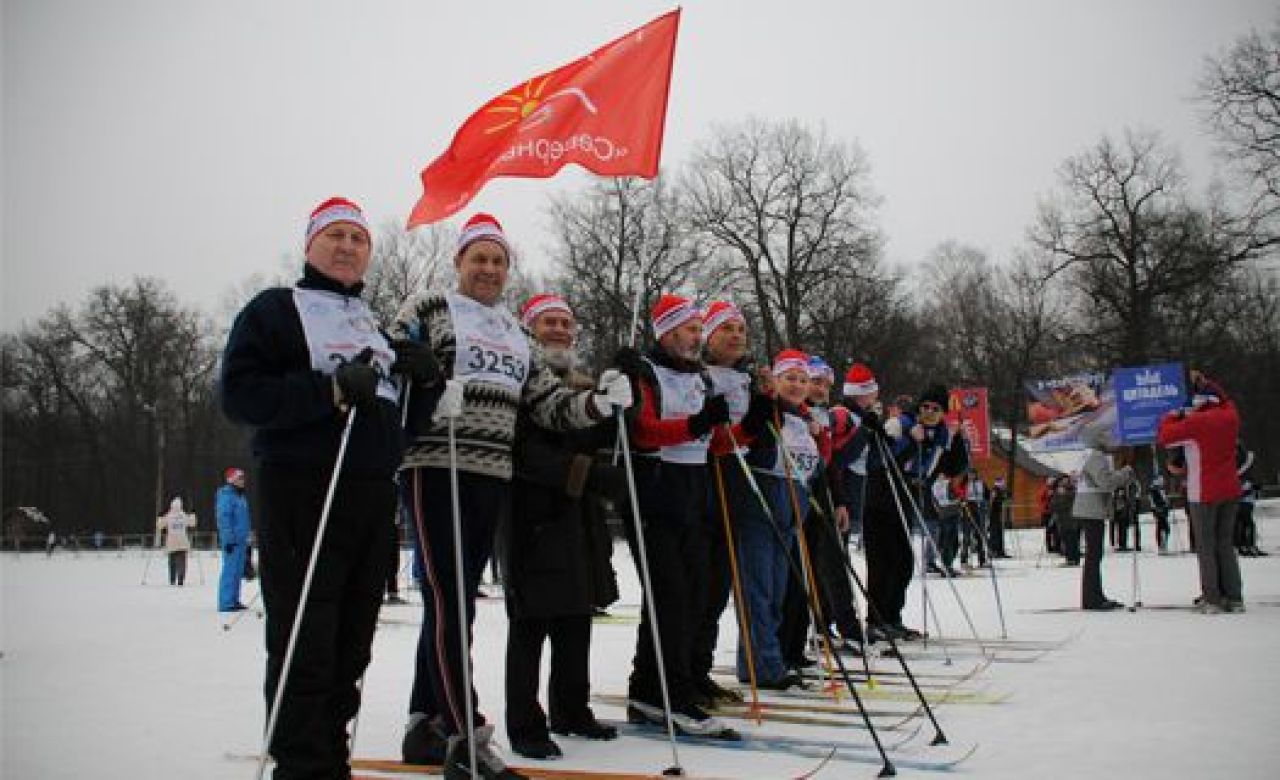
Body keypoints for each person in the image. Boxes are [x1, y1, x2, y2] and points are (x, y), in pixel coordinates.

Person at [392, 214, 629, 777]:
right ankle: (462, 730)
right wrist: (425, 382)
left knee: (451, 600)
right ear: (459, 263)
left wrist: (601, 402)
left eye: (498, 260)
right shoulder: (431, 307)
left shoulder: (514, 333)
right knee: (452, 598)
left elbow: (547, 405)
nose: (489, 269)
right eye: (479, 258)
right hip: (436, 463)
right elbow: (391, 354)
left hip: (489, 471)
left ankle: (423, 722)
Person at [220, 196, 416, 780]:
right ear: (310, 245)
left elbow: (391, 414)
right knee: (306, 634)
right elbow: (241, 395)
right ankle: (302, 766)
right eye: (335, 236)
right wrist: (326, 392)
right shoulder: (276, 309)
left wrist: (422, 380)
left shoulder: (374, 324)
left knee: (352, 641)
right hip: (305, 487)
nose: (348, 247)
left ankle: (330, 758)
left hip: (370, 493)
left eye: (359, 239)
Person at [501, 293, 623, 760]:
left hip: (578, 515)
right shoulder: (520, 380)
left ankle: (571, 707)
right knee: (531, 621)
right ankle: (524, 721)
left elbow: (602, 441)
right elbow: (524, 450)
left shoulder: (580, 383)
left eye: (565, 323)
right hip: (532, 509)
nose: (558, 330)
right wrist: (585, 473)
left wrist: (616, 405)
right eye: (548, 322)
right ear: (531, 330)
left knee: (576, 613)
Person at [616, 293, 737, 738]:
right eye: (689, 329)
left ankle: (647, 690)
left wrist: (750, 424)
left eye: (697, 329)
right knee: (671, 597)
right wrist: (699, 423)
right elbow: (645, 433)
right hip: (654, 490)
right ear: (666, 332)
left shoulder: (699, 377)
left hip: (694, 492)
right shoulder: (645, 372)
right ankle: (675, 695)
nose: (696, 337)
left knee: (687, 594)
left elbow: (716, 442)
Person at [694, 300, 770, 706]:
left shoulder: (744, 378)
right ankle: (685, 671)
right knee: (702, 583)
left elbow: (753, 434)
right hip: (707, 476)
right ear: (708, 336)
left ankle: (700, 669)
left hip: (738, 476)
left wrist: (763, 402)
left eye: (741, 329)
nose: (737, 335)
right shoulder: (702, 375)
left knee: (720, 584)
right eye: (727, 329)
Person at [736, 350, 824, 690]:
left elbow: (815, 466)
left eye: (803, 380)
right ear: (775, 379)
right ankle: (766, 663)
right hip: (762, 505)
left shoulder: (803, 420)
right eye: (789, 377)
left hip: (792, 511)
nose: (797, 385)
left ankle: (759, 661)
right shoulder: (768, 411)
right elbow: (753, 447)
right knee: (759, 590)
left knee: (776, 592)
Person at [1156, 374, 1244, 613]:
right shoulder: (1230, 416)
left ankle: (1212, 598)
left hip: (1202, 491)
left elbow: (1165, 435)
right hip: (1230, 488)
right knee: (1225, 544)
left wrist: (1173, 415)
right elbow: (1226, 399)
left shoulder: (1197, 423)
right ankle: (1234, 597)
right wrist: (1207, 383)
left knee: (1205, 546)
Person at [1071, 412, 1134, 610]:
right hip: (1091, 510)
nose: (1111, 439)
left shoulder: (1093, 455)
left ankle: (1095, 596)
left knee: (1094, 555)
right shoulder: (1095, 456)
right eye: (1107, 435)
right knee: (1093, 555)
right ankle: (1092, 599)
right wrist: (1125, 474)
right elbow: (1105, 482)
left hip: (1091, 509)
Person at [216, 468, 252, 612]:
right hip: (232, 541)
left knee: (238, 571)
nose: (243, 481)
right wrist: (228, 539)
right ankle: (226, 602)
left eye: (243, 478)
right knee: (230, 571)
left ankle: (234, 599)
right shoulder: (227, 496)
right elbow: (224, 519)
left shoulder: (240, 497)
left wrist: (247, 538)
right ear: (232, 480)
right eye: (239, 478)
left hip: (241, 540)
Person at [156, 497, 196, 587]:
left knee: (172, 562)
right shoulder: (183, 515)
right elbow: (192, 523)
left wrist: (159, 516)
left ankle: (172, 579)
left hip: (171, 543)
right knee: (182, 562)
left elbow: (160, 526)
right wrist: (193, 514)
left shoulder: (168, 516)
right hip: (183, 543)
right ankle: (181, 578)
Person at [1053, 476, 1080, 566]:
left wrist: (1064, 494)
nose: (1063, 483)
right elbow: (1054, 504)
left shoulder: (1072, 491)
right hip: (1062, 520)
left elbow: (1070, 502)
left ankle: (1073, 559)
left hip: (1071, 519)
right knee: (1065, 539)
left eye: (1065, 481)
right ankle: (1070, 558)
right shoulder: (1058, 492)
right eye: (1062, 481)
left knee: (1072, 539)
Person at [1149, 475, 1172, 554]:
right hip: (1159, 511)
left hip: (1163, 511)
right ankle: (1161, 545)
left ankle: (1164, 544)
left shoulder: (1161, 490)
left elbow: (1165, 500)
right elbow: (1155, 502)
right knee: (1162, 527)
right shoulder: (1154, 490)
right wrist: (1161, 507)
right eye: (1161, 481)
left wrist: (1167, 504)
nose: (1163, 483)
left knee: (1166, 528)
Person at [988, 475, 1010, 558]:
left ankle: (1000, 551)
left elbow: (1004, 499)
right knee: (994, 533)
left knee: (999, 533)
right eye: (1001, 482)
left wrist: (1005, 499)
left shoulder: (1001, 491)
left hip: (998, 514)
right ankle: (993, 551)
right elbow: (992, 501)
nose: (1003, 484)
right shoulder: (994, 490)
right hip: (993, 515)